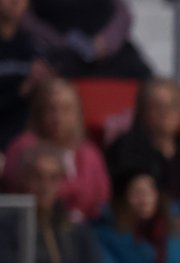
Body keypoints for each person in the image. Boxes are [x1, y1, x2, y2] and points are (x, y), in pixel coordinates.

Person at [2, 78, 109, 222]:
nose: (58, 118)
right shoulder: (23, 148)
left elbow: (101, 199)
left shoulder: (90, 153)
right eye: (51, 109)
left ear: (78, 113)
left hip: (84, 232)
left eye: (66, 109)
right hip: (32, 226)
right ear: (39, 112)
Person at [104, 78, 180, 211]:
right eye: (157, 106)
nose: (165, 112)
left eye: (173, 105)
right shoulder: (125, 150)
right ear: (143, 110)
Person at [92, 167, 180, 263]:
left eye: (150, 191)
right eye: (137, 192)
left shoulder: (175, 232)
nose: (145, 199)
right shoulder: (107, 236)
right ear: (122, 200)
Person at [21, 0, 149, 79]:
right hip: (60, 54)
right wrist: (62, 43)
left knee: (146, 80)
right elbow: (26, 18)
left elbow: (122, 12)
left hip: (111, 52)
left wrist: (106, 42)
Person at [0, 0, 50, 150]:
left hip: (27, 142)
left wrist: (44, 84)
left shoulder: (36, 45)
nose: (15, 2)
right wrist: (22, 90)